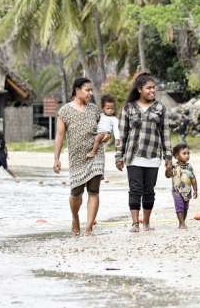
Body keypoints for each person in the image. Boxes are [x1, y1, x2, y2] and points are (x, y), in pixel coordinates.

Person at [116, 72, 172, 232]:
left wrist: (168, 157)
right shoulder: (128, 108)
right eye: (149, 88)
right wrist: (119, 156)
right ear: (140, 89)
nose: (152, 91)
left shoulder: (160, 108)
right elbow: (122, 135)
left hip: (153, 156)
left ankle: (146, 223)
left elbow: (165, 134)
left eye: (154, 88)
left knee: (149, 191)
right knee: (135, 189)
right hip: (133, 157)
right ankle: (135, 223)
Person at [54, 77, 109, 236]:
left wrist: (106, 137)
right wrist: (56, 159)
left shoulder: (95, 110)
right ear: (77, 90)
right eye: (87, 90)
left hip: (96, 155)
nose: (90, 93)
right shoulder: (64, 111)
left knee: (94, 191)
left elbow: (105, 132)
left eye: (91, 90)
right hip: (77, 158)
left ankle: (89, 227)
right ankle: (75, 217)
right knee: (76, 194)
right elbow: (59, 136)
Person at [166, 143, 197, 229]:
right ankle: (181, 223)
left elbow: (193, 178)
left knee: (185, 207)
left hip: (187, 191)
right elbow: (168, 175)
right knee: (179, 206)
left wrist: (195, 190)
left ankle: (182, 221)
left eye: (188, 153)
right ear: (176, 156)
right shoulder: (174, 166)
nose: (187, 155)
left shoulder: (189, 167)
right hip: (177, 191)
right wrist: (168, 169)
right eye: (184, 153)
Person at [86, 94, 120, 159]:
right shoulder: (101, 115)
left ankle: (93, 152)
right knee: (94, 138)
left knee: (97, 138)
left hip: (105, 132)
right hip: (98, 132)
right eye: (108, 108)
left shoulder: (114, 119)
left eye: (112, 108)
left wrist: (117, 139)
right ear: (103, 108)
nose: (110, 110)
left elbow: (116, 129)